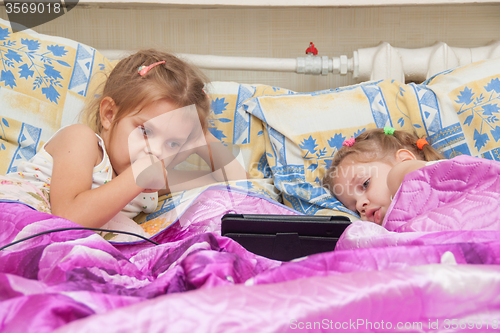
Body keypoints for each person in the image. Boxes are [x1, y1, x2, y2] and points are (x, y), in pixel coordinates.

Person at [6, 49, 247, 229]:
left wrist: (200, 137)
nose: (156, 151)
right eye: (146, 131)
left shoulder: (149, 184)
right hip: (11, 219)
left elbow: (233, 182)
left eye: (173, 144)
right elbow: (68, 218)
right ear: (109, 115)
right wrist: (138, 176)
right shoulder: (82, 142)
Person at [322, 127, 444, 225]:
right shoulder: (386, 232)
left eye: (365, 184)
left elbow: (419, 174)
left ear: (405, 160)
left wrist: (405, 171)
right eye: (355, 211)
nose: (360, 206)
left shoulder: (442, 176)